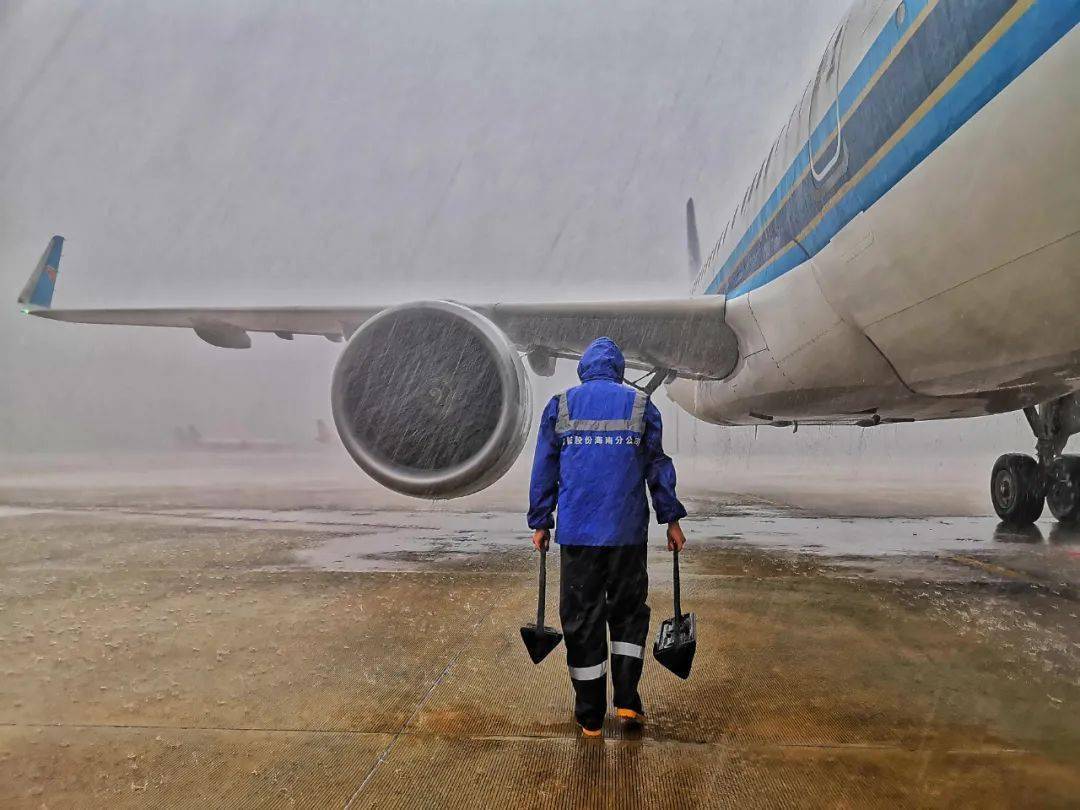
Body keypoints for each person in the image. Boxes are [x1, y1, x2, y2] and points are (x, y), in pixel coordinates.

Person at [527, 336, 687, 738]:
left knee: (582, 620)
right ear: (619, 370)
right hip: (626, 536)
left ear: (584, 368)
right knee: (628, 615)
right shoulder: (640, 406)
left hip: (579, 536)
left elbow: (544, 468)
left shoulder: (561, 406)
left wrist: (541, 521)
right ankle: (628, 702)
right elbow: (657, 467)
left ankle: (590, 717)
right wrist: (671, 520)